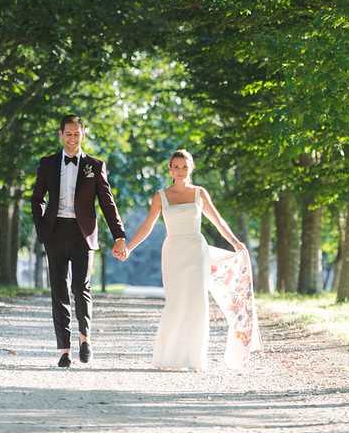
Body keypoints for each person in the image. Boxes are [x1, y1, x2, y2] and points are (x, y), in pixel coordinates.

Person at [126, 149, 261, 370]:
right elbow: (148, 226)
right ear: (170, 169)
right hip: (173, 251)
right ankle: (168, 356)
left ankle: (195, 358)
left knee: (198, 303)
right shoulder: (160, 197)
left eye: (184, 167)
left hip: (197, 251)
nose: (180, 171)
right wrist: (129, 247)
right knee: (176, 302)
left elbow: (218, 221)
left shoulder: (200, 193)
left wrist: (235, 242)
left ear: (191, 168)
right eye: (176, 166)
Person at [31, 114, 128, 368]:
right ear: (60, 135)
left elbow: (107, 203)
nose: (73, 138)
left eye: (77, 134)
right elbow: (37, 198)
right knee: (58, 289)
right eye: (68, 134)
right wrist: (42, 227)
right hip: (55, 231)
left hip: (83, 233)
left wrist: (119, 235)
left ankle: (85, 338)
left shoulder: (94, 166)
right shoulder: (47, 164)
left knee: (81, 287)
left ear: (83, 134)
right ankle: (64, 350)